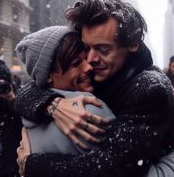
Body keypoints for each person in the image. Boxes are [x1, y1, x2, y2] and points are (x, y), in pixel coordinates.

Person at [15, 0, 174, 176]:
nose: (90, 60)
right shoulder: (97, 73)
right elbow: (30, 89)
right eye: (86, 48)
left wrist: (33, 165)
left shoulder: (150, 88)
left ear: (133, 44)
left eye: (103, 49)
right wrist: (53, 104)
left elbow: (114, 168)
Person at [16, 25, 115, 155]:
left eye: (85, 58)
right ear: (48, 76)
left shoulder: (30, 120)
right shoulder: (90, 111)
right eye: (75, 63)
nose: (88, 67)